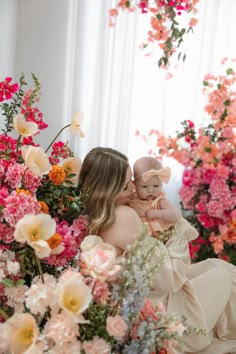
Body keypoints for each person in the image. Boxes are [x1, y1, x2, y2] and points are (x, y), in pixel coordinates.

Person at [78, 147, 236, 354]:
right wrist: (177, 228)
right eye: (127, 185)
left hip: (131, 306)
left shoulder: (92, 215)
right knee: (223, 274)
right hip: (157, 316)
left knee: (214, 266)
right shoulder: (124, 215)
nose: (134, 187)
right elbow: (165, 280)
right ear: (110, 189)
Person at [128, 156, 181, 242]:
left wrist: (157, 213)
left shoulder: (159, 200)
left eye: (156, 186)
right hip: (137, 236)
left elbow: (175, 216)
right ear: (134, 184)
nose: (151, 190)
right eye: (144, 186)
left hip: (159, 238)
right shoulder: (131, 198)